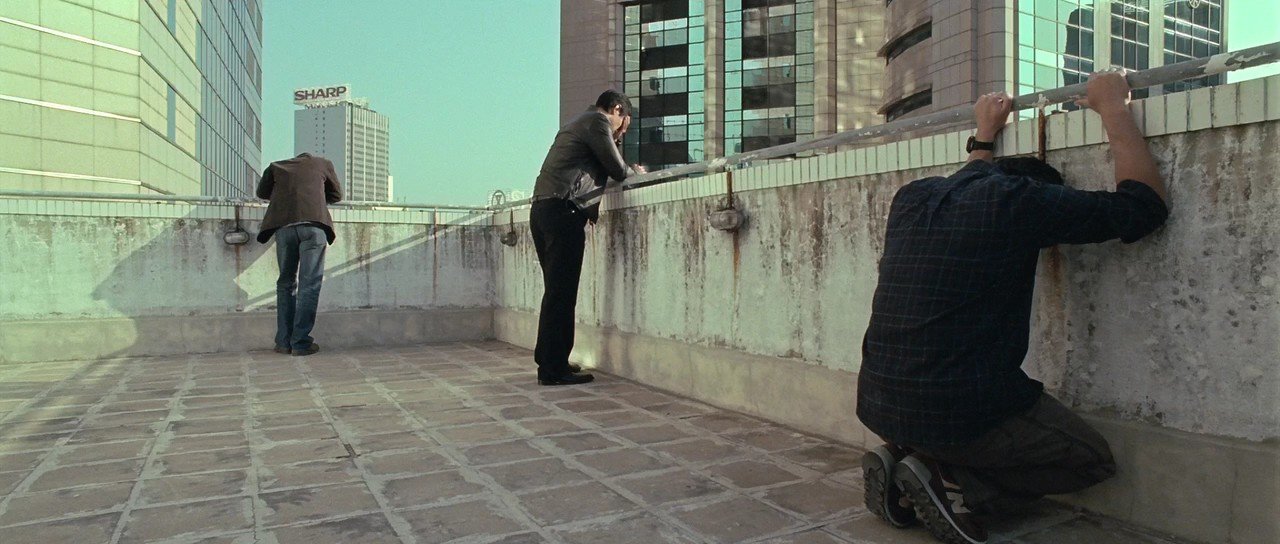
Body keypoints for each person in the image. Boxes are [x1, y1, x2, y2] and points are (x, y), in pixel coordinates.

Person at [857, 71, 1169, 544]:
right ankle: (955, 489)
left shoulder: (914, 198)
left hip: (878, 401)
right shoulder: (1020, 202)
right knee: (1091, 460)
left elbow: (974, 174)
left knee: (941, 416)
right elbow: (1143, 208)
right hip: (955, 410)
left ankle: (910, 462)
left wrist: (984, 134)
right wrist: (1113, 107)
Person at [529, 90, 645, 385]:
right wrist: (634, 170)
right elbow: (617, 169)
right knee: (562, 293)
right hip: (564, 211)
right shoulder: (597, 122)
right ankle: (553, 370)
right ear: (617, 110)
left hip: (543, 210)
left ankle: (550, 359)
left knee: (555, 291)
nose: (621, 132)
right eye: (624, 124)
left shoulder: (576, 122)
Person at [256, 152, 343, 357]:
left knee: (285, 283)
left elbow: (262, 193)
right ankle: (300, 343)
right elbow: (336, 196)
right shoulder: (323, 164)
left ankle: (283, 342)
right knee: (309, 284)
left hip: (284, 227)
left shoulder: (276, 166)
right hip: (314, 227)